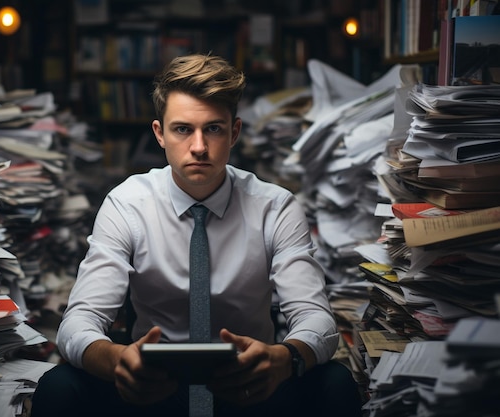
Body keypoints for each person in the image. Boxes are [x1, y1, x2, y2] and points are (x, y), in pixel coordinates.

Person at [31, 53, 362, 416]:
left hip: (250, 385)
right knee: (58, 388)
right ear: (160, 133)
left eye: (214, 129)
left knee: (336, 384)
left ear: (234, 132)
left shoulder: (275, 207)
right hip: (152, 387)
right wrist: (117, 361)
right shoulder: (127, 204)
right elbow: (78, 322)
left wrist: (283, 360)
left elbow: (317, 319)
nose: (200, 146)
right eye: (183, 129)